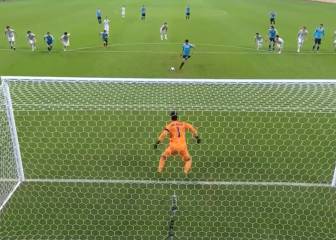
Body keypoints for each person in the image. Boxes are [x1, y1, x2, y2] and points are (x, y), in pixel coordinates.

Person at [154, 111, 201, 175]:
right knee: (188, 160)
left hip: (172, 147)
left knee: (163, 157)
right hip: (182, 147)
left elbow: (163, 134)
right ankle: (185, 172)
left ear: (171, 117)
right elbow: (192, 129)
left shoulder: (169, 125)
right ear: (177, 117)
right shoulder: (183, 124)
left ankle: (159, 171)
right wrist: (197, 138)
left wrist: (157, 143)